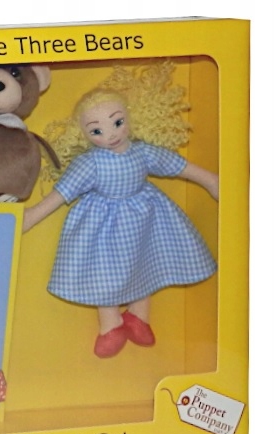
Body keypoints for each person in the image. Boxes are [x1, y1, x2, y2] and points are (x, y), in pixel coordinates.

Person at [23, 86, 218, 358]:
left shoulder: (143, 153)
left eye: (117, 122)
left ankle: (139, 316)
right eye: (96, 131)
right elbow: (63, 193)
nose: (111, 135)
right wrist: (32, 215)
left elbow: (176, 165)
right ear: (83, 134)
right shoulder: (90, 164)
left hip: (147, 218)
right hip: (103, 227)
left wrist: (210, 181)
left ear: (130, 116)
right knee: (105, 272)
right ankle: (111, 324)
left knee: (146, 261)